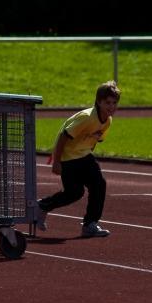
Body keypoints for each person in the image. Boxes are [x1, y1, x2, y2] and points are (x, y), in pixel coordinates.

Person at [36, 80, 121, 237]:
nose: (111, 106)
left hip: (84, 156)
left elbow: (95, 140)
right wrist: (56, 162)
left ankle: (90, 224)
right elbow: (63, 136)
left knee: (99, 184)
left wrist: (88, 153)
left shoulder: (107, 121)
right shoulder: (87, 117)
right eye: (107, 102)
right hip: (68, 158)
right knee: (74, 193)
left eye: (114, 103)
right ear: (98, 102)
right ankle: (42, 206)